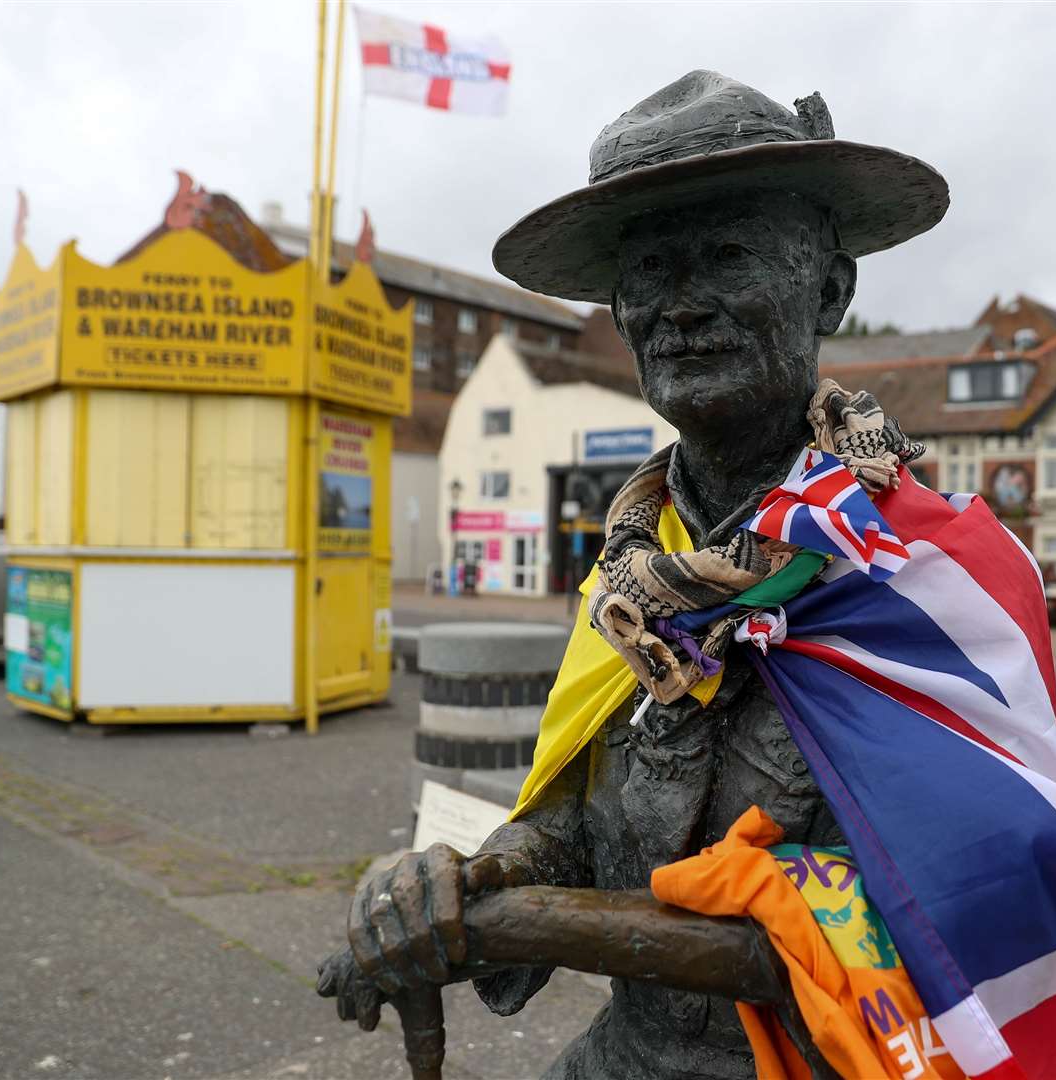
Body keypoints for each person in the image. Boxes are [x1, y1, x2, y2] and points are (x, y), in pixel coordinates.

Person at [321, 69, 948, 1080]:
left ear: (829, 291)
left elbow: (914, 923)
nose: (682, 307)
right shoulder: (634, 576)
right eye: (649, 272)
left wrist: (521, 922)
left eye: (728, 256)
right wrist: (453, 881)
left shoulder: (930, 575)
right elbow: (572, 826)